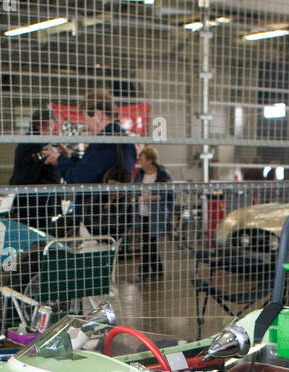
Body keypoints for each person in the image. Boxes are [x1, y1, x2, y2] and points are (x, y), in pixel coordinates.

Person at [56, 90, 136, 238]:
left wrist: (59, 160)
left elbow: (77, 178)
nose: (87, 126)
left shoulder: (103, 144)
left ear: (98, 115)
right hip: (119, 218)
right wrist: (71, 158)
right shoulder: (126, 142)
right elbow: (93, 170)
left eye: (87, 120)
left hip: (96, 222)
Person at [9, 108, 61, 231]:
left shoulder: (31, 140)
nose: (53, 128)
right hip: (37, 201)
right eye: (52, 124)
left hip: (31, 199)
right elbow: (32, 169)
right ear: (45, 124)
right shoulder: (36, 143)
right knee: (38, 234)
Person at [132, 145, 172, 279]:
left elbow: (168, 194)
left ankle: (144, 271)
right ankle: (156, 270)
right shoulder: (140, 174)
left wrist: (151, 198)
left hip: (155, 214)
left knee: (149, 242)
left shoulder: (162, 174)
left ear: (150, 160)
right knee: (148, 243)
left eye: (142, 159)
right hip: (142, 213)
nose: (140, 162)